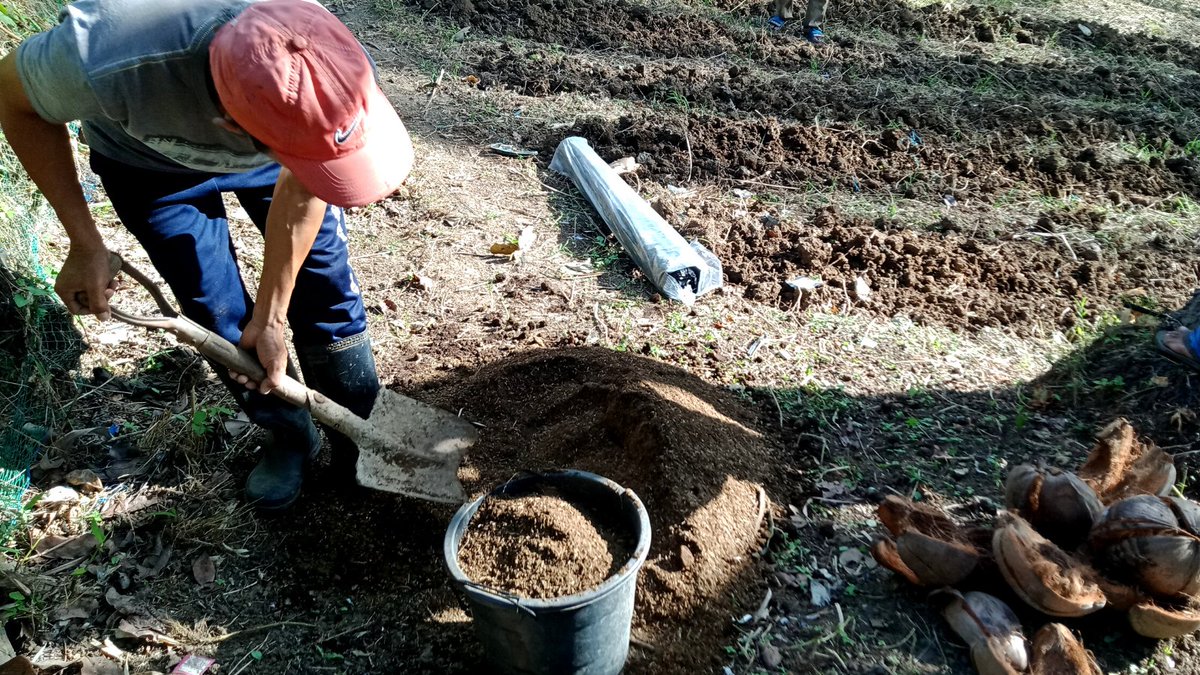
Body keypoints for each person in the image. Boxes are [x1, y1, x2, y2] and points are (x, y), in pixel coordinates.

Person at [0, 0, 413, 510]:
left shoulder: (321, 54)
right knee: (216, 310)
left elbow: (306, 186)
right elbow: (14, 99)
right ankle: (289, 436)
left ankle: (362, 440)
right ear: (230, 126)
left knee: (321, 283)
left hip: (276, 142)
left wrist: (274, 315)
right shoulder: (106, 58)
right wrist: (85, 241)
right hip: (147, 161)